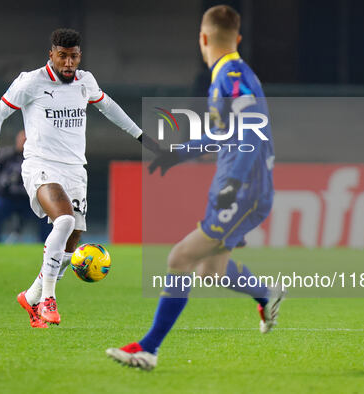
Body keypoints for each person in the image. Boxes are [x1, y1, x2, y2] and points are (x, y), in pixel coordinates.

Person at [106, 5, 285, 370]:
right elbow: (225, 134)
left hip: (243, 188)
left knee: (179, 258)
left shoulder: (231, 77)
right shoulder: (231, 74)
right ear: (235, 38)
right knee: (210, 271)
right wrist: (179, 154)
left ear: (203, 39)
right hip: (245, 186)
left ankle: (148, 348)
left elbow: (249, 131)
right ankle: (268, 294)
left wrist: (233, 184)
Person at [0, 28, 158, 328]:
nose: (68, 63)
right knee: (64, 221)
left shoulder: (85, 81)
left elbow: (110, 107)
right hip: (41, 166)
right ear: (51, 54)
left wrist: (141, 137)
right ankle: (49, 298)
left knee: (71, 243)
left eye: (73, 56)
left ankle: (31, 295)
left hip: (75, 170)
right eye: (62, 56)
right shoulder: (30, 82)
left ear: (79, 56)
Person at [0, 130, 51, 243]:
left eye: (27, 140)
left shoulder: (39, 158)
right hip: (8, 198)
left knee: (47, 214)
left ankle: (45, 244)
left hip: (31, 200)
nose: (25, 143)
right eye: (23, 140)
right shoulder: (6, 156)